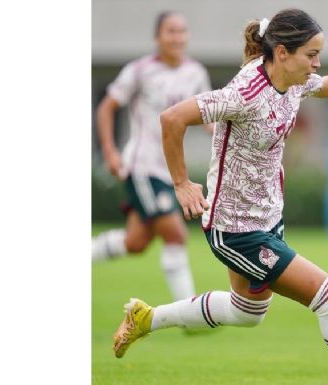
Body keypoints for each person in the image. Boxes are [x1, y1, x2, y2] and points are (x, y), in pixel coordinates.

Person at [111, 9, 328, 385]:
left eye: (319, 54)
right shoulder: (243, 93)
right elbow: (172, 118)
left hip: (268, 218)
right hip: (235, 228)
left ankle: (147, 318)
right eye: (311, 55)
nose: (316, 63)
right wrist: (182, 183)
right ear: (282, 52)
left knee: (246, 312)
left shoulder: (294, 79)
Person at [91, 11, 214, 302]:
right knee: (175, 234)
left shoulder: (196, 72)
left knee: (136, 242)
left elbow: (209, 118)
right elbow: (107, 107)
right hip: (143, 166)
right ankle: (189, 310)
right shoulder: (140, 70)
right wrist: (109, 150)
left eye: (182, 31)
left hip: (171, 169)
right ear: (158, 36)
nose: (177, 37)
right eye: (171, 31)